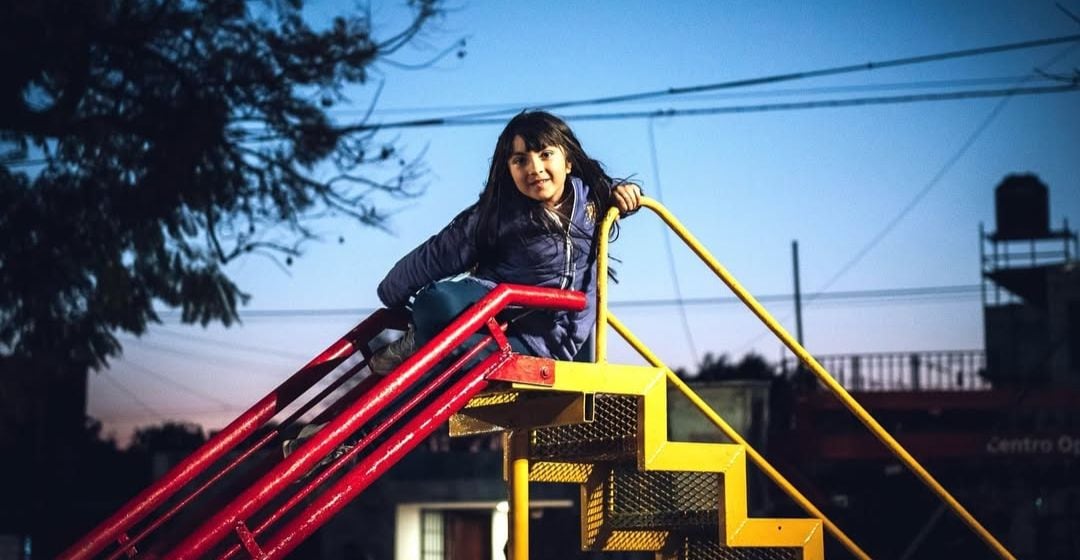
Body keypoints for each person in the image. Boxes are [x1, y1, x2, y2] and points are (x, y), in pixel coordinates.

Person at [370, 110, 642, 373]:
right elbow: (440, 252)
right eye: (520, 160)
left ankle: (419, 346)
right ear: (509, 170)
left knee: (450, 353)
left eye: (546, 154)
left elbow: (623, 194)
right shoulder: (500, 215)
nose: (535, 168)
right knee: (436, 303)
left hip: (556, 339)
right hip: (497, 316)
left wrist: (628, 194)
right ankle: (416, 344)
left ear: (568, 162)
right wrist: (391, 293)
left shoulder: (594, 199)